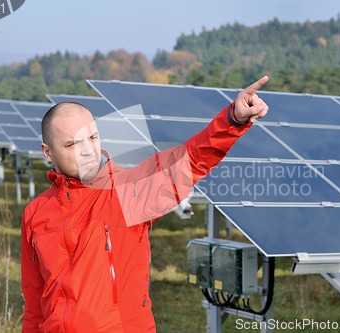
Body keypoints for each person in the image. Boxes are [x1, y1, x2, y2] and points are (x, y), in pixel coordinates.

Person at [20, 76, 270, 332]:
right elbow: (34, 299)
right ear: (47, 152)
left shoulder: (127, 191)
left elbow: (189, 162)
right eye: (72, 144)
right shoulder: (36, 213)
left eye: (92, 138)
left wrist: (232, 120)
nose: (87, 151)